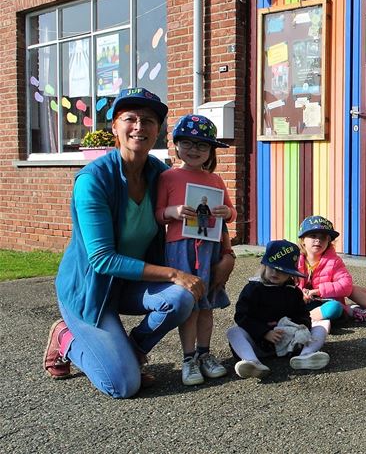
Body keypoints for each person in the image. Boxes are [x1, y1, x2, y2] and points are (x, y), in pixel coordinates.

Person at [42, 88, 232, 398]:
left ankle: (131, 350)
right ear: (114, 126)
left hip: (133, 285)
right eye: (130, 118)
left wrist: (227, 254)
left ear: (158, 131)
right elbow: (102, 259)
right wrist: (173, 274)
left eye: (148, 120)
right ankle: (66, 337)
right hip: (91, 289)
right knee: (122, 385)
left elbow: (206, 213)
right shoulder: (94, 180)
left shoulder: (163, 175)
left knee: (183, 298)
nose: (139, 126)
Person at [155, 114, 236, 386]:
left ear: (210, 150)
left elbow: (229, 211)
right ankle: (188, 358)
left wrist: (228, 212)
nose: (194, 150)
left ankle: (204, 354)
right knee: (189, 304)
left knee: (207, 305)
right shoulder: (168, 177)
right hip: (180, 249)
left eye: (202, 145)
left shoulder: (215, 180)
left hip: (210, 249)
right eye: (187, 143)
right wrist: (173, 211)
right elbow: (156, 215)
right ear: (176, 144)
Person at [227, 240, 329, 378]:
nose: (275, 273)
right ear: (264, 266)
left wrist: (300, 327)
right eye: (272, 267)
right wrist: (264, 332)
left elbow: (303, 315)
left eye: (282, 270)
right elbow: (241, 316)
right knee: (234, 331)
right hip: (259, 344)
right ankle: (252, 362)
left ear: (290, 273)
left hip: (290, 344)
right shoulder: (253, 289)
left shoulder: (293, 291)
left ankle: (306, 356)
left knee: (323, 325)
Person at [296, 215, 352, 367]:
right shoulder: (296, 259)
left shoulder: (334, 261)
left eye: (323, 237)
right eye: (313, 236)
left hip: (324, 303)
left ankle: (304, 322)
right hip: (302, 302)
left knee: (334, 308)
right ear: (303, 240)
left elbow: (347, 285)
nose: (318, 241)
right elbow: (287, 282)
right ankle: (312, 323)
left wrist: (317, 291)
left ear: (329, 241)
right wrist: (300, 292)